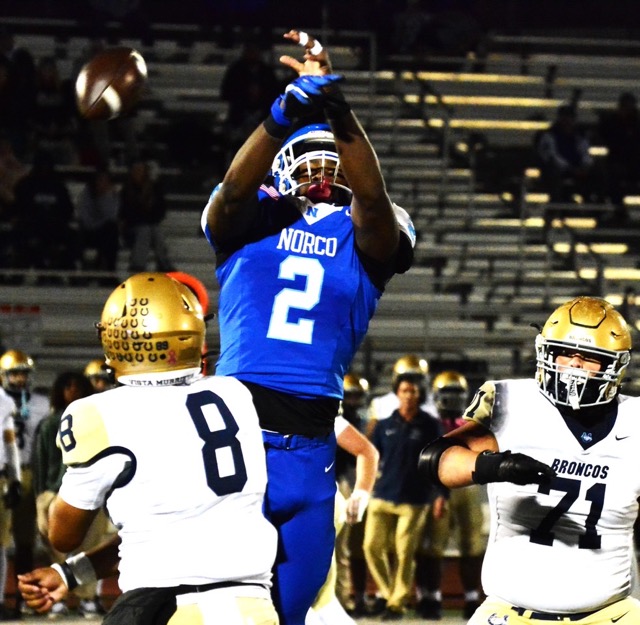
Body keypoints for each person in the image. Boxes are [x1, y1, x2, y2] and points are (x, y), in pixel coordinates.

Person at [202, 28, 415, 625]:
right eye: (309, 161)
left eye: (334, 162)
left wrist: (337, 107)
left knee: (292, 613)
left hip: (315, 449)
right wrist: (281, 113)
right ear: (283, 169)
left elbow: (373, 205)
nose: (323, 174)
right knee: (217, 609)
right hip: (236, 438)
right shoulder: (253, 216)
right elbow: (231, 191)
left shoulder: (368, 231)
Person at [17, 272, 279, 625]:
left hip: (167, 609)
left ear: (114, 337)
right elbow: (169, 528)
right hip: (252, 606)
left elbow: (63, 535)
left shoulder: (97, 413)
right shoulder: (235, 395)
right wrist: (69, 576)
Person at [418, 295, 640, 624]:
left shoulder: (634, 419)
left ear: (614, 365)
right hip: (511, 613)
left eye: (589, 357)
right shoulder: (511, 401)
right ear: (545, 352)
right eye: (565, 354)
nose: (574, 366)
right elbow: (435, 461)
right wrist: (495, 466)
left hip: (610, 613)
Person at [363, 377, 444, 620]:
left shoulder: (429, 425)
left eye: (413, 391)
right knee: (371, 547)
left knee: (404, 552)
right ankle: (390, 595)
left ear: (419, 395)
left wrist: (440, 494)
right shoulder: (384, 424)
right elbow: (368, 455)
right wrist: (364, 488)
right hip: (382, 494)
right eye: (404, 390)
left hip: (414, 498)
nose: (409, 395)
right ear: (397, 394)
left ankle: (396, 604)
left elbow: (440, 458)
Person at [32, 370, 105, 618]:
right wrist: (41, 494)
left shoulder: (95, 420)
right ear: (59, 391)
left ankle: (87, 597)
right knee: (56, 547)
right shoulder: (49, 423)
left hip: (91, 491)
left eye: (77, 387)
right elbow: (40, 461)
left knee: (91, 545)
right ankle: (56, 597)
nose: (72, 391)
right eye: (67, 387)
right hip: (54, 491)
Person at [414, 370, 484, 620]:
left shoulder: (474, 422)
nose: (452, 399)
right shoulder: (427, 422)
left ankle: (471, 598)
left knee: (472, 545)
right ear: (435, 395)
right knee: (433, 545)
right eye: (447, 393)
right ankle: (431, 598)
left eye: (456, 393)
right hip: (436, 486)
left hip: (468, 487)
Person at [307, 412, 379, 625]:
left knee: (306, 597)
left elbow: (366, 451)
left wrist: (361, 493)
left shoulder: (312, 409)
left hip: (312, 507)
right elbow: (367, 451)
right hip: (320, 502)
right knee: (322, 596)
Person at [0, 349, 49, 596]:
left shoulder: (40, 404)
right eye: (14, 374)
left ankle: (23, 594)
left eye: (23, 374)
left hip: (30, 471)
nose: (19, 379)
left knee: (25, 538)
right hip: (4, 471)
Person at [334, 374, 370, 614]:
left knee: (343, 549)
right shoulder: (342, 419)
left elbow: (366, 453)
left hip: (342, 484)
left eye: (357, 396)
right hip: (336, 482)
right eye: (350, 395)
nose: (353, 401)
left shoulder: (354, 422)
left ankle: (344, 600)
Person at [119, 159, 175, 273]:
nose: (138, 173)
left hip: (150, 226)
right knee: (146, 230)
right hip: (131, 229)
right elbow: (126, 214)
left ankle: (163, 263)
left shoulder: (154, 189)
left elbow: (160, 212)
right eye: (135, 170)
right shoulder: (126, 191)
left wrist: (144, 215)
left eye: (140, 170)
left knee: (154, 230)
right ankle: (138, 265)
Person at [598, 91, 640, 226]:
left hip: (635, 164)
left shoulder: (637, 122)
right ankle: (619, 214)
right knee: (612, 178)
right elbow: (608, 138)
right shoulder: (612, 122)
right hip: (618, 164)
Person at [366, 354, 431, 438]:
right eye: (406, 378)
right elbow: (371, 437)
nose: (410, 383)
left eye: (416, 379)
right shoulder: (380, 404)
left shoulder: (434, 403)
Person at [0, 370, 21, 621]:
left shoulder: (4, 399)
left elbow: (10, 441)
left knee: (1, 544)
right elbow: (10, 442)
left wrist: (15, 478)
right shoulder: (4, 399)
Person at [75, 167, 120, 276]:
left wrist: (105, 197)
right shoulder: (86, 195)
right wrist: (100, 223)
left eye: (106, 180)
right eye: (100, 180)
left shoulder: (111, 195)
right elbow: (85, 219)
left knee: (111, 231)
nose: (102, 183)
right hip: (87, 232)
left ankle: (109, 272)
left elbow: (112, 216)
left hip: (104, 232)